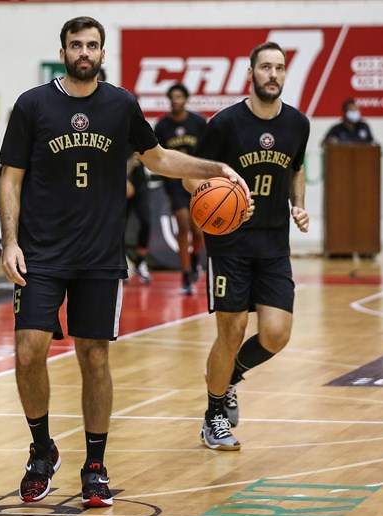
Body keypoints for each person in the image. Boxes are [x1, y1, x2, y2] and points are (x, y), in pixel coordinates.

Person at [0, 16, 249, 508]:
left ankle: (95, 464)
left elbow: (158, 159)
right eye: (76, 45)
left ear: (103, 53)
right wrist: (9, 241)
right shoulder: (32, 105)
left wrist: (214, 168)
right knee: (28, 352)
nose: (84, 52)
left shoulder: (121, 104)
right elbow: (11, 179)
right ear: (64, 50)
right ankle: (41, 451)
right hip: (41, 252)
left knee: (94, 356)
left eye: (92, 45)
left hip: (99, 254)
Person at [187, 42, 310, 451]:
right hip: (229, 243)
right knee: (232, 328)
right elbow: (191, 177)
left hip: (274, 244)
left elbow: (296, 169)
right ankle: (214, 415)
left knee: (276, 334)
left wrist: (301, 206)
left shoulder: (297, 124)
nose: (272, 75)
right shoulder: (225, 124)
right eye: (265, 68)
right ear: (251, 73)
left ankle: (230, 378)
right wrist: (219, 194)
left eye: (279, 68)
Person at [154, 83, 208, 295]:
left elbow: (208, 150)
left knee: (198, 228)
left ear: (186, 99)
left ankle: (195, 259)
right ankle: (185, 274)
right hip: (174, 181)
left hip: (196, 179)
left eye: (179, 96)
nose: (176, 100)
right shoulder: (162, 126)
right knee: (183, 224)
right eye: (172, 97)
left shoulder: (199, 122)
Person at [126, 154, 152, 283]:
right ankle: (121, 263)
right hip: (120, 183)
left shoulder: (137, 135)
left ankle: (140, 262)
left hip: (140, 182)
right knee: (118, 225)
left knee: (146, 222)